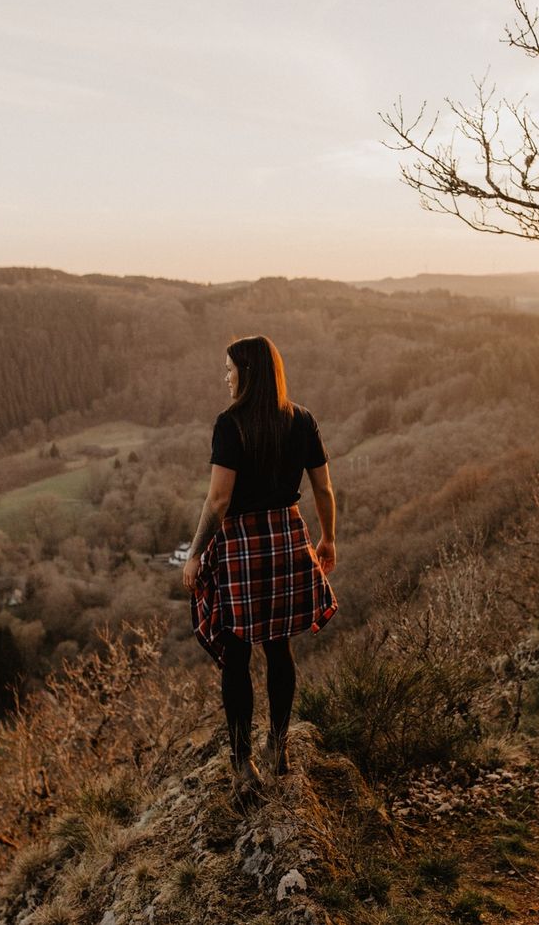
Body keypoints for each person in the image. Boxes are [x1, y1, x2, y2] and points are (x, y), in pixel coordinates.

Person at [183, 335, 338, 802]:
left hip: (242, 543)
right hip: (288, 537)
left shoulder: (230, 425)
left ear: (247, 374)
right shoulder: (301, 419)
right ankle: (279, 746)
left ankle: (242, 763)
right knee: (278, 646)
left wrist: (193, 553)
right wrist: (328, 537)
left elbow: (219, 500)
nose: (224, 377)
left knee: (235, 653)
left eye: (229, 369)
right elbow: (324, 490)